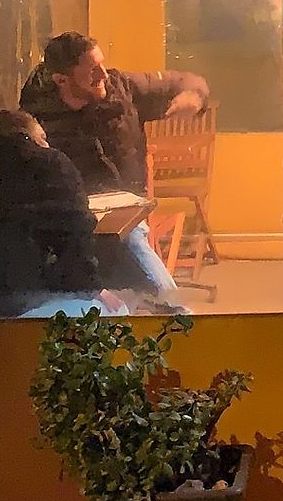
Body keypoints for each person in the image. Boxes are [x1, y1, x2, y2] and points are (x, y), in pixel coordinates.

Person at [20, 33, 209, 305]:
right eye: (92, 71)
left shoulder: (122, 88)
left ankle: (172, 310)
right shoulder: (36, 115)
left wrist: (193, 95)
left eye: (102, 64)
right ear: (61, 80)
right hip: (73, 219)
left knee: (135, 254)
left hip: (128, 212)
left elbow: (187, 81)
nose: (104, 74)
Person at [0, 110, 117, 319]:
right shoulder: (50, 163)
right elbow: (74, 233)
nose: (47, 144)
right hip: (24, 298)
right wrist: (92, 288)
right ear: (32, 139)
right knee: (118, 311)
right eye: (43, 138)